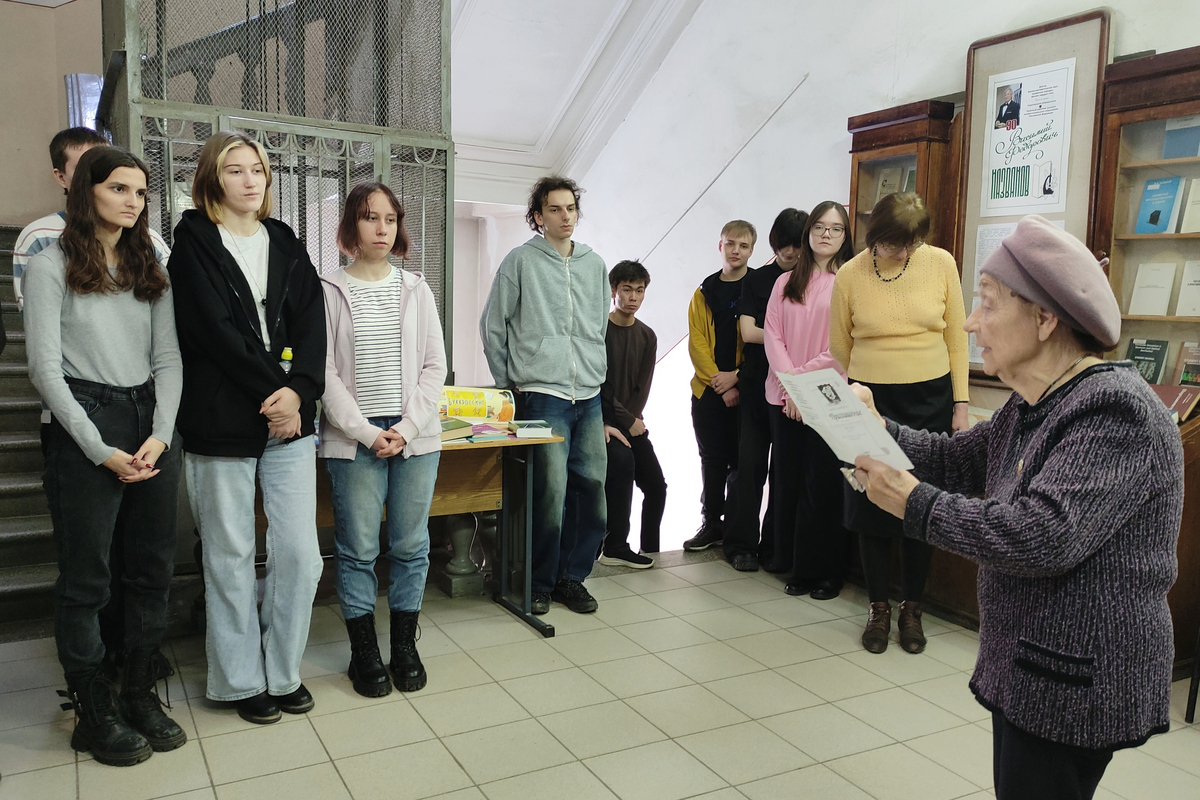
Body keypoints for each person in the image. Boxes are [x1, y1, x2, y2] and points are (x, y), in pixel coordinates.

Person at [851, 215, 1182, 800]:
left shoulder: (1113, 409)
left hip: (1076, 680)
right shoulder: (1037, 401)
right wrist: (880, 430)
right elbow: (957, 459)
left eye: (987, 302)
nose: (970, 322)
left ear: (1044, 319)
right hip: (1037, 666)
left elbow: (1041, 537)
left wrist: (913, 504)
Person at [24, 145, 185, 766]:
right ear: (85, 190)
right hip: (86, 421)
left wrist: (161, 434)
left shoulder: (149, 265)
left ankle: (138, 693)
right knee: (87, 580)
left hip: (150, 422)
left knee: (150, 571)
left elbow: (168, 358)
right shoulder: (51, 264)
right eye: (119, 188)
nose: (132, 201)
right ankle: (93, 712)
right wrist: (98, 449)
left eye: (141, 192)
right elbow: (44, 370)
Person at [168, 131, 326, 724]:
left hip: (289, 421)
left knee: (301, 556)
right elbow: (213, 333)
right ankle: (238, 681)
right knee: (230, 555)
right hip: (221, 419)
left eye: (257, 168)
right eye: (235, 169)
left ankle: (282, 672)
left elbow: (313, 325)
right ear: (212, 178)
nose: (250, 179)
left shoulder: (283, 240)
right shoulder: (192, 243)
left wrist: (300, 391)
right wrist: (275, 392)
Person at [319, 182, 447, 696]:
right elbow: (323, 373)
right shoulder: (328, 288)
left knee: (412, 546)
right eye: (371, 218)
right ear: (352, 224)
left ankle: (404, 647)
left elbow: (435, 367)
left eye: (390, 219)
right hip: (355, 437)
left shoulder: (416, 288)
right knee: (358, 549)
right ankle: (364, 653)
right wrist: (369, 432)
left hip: (414, 436)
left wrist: (406, 428)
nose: (382, 228)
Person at [829, 192, 969, 654]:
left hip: (931, 400)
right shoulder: (850, 274)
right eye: (894, 244)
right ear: (876, 236)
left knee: (919, 504)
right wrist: (858, 395)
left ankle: (912, 608)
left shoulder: (941, 263)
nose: (903, 253)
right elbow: (840, 346)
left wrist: (961, 403)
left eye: (912, 244)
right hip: (871, 398)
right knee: (870, 504)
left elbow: (957, 340)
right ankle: (878, 607)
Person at [479, 175, 608, 615]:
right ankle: (538, 582)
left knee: (591, 490)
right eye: (554, 209)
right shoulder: (521, 261)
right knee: (550, 494)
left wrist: (592, 366)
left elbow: (598, 327)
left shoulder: (594, 264)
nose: (565, 216)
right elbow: (493, 325)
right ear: (538, 216)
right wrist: (507, 381)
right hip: (542, 393)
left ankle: (572, 578)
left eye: (570, 208)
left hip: (589, 394)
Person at [764, 202, 854, 599]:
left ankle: (827, 572)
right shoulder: (785, 282)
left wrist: (798, 387)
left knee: (823, 486)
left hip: (826, 396)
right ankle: (796, 567)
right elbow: (772, 336)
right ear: (808, 233)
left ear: (845, 236)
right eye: (819, 227)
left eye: (835, 229)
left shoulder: (849, 282)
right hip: (782, 399)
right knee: (788, 482)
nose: (826, 235)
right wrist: (790, 390)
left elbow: (841, 348)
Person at [725, 209, 807, 572]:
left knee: (785, 472)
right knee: (750, 467)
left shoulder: (811, 280)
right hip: (757, 383)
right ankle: (740, 545)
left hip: (792, 387)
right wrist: (787, 339)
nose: (789, 251)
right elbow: (747, 332)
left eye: (796, 244)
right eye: (782, 244)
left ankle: (775, 548)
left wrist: (778, 339)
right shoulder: (757, 279)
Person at [683, 220, 755, 552]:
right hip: (709, 390)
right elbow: (697, 343)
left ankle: (738, 532)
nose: (735, 250)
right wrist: (721, 384)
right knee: (711, 459)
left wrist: (737, 377)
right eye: (730, 244)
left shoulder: (757, 288)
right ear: (720, 246)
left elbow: (763, 342)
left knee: (742, 463)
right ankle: (711, 523)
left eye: (743, 245)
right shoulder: (704, 292)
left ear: (752, 250)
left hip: (748, 388)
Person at [599, 260, 665, 569]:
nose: (633, 297)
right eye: (627, 290)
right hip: (602, 422)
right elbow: (600, 385)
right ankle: (614, 546)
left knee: (656, 486)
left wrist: (632, 420)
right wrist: (624, 421)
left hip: (632, 422)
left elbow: (643, 386)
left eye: (639, 291)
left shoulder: (647, 336)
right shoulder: (599, 331)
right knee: (622, 467)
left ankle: (651, 549)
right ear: (613, 291)